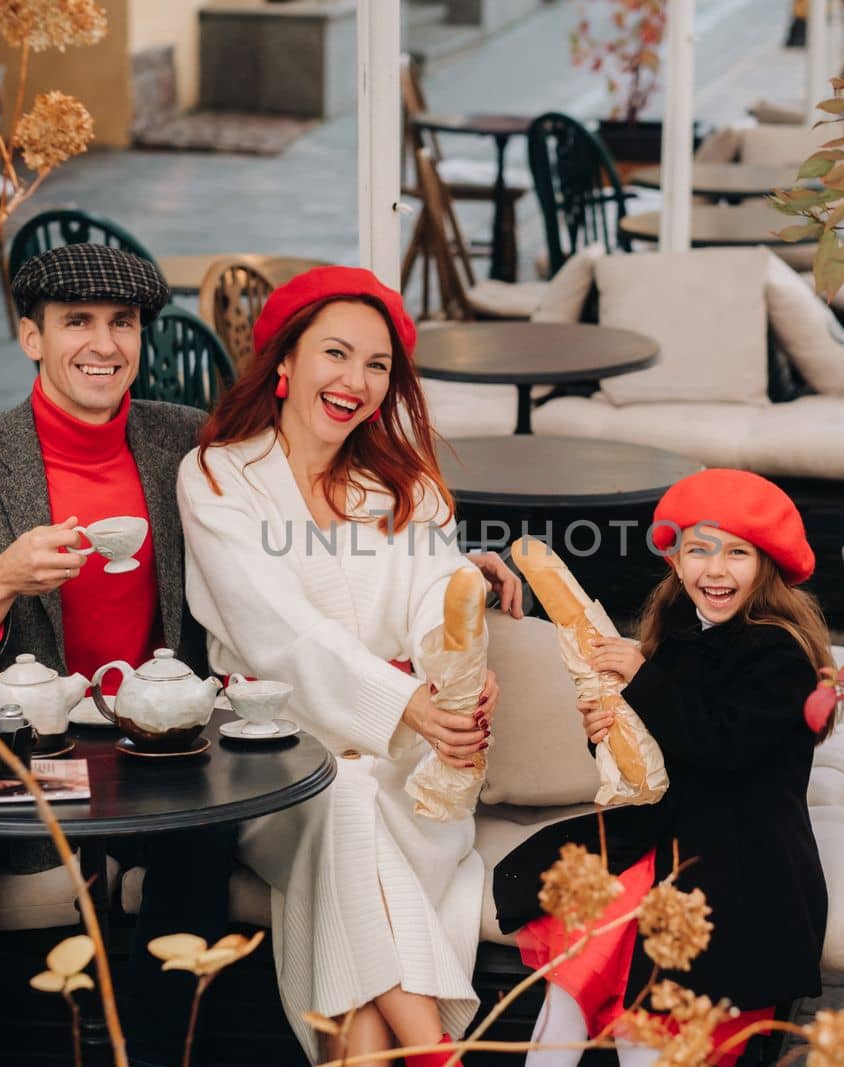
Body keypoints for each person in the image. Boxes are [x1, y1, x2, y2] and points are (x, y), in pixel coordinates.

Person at [0, 243, 233, 1067]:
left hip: (158, 744)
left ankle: (154, 1054)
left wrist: (448, 554)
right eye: (77, 322)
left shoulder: (187, 445)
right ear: (31, 337)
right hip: (20, 751)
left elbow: (310, 513)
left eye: (123, 324)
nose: (104, 345)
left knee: (209, 833)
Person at [176, 266, 523, 1065]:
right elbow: (274, 627)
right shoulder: (220, 476)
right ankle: (436, 1049)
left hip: (413, 766)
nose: (357, 381)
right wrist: (403, 700)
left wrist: (459, 675)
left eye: (378, 365)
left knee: (361, 803)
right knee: (342, 797)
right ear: (285, 361)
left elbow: (440, 593)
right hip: (273, 765)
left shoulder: (400, 484)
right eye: (337, 353)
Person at [492, 468, 835, 1067]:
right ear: (674, 559)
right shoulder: (679, 633)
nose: (716, 569)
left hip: (741, 859)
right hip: (665, 836)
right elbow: (652, 759)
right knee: (579, 970)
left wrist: (644, 678)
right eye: (698, 549)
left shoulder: (780, 655)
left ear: (768, 564)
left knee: (644, 1002)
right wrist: (605, 737)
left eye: (737, 553)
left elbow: (719, 748)